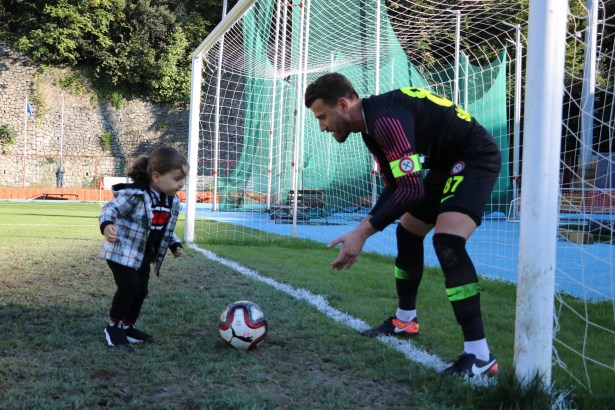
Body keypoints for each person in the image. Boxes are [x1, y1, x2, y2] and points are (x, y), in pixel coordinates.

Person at [304, 73, 501, 377]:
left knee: (447, 241)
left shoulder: (384, 121)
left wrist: (361, 233)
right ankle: (405, 319)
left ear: (343, 104)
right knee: (407, 231)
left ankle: (480, 355)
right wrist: (363, 228)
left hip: (474, 156)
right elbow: (398, 186)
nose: (322, 127)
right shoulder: (370, 126)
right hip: (443, 164)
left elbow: (411, 190)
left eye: (322, 117)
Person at [99, 146, 189, 347]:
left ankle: (127, 327)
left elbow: (163, 226)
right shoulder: (137, 194)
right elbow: (110, 208)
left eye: (184, 179)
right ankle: (113, 327)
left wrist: (174, 243)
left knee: (141, 290)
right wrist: (107, 225)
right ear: (156, 176)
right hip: (121, 251)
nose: (181, 184)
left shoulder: (171, 200)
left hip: (142, 254)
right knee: (130, 286)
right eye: (177, 179)